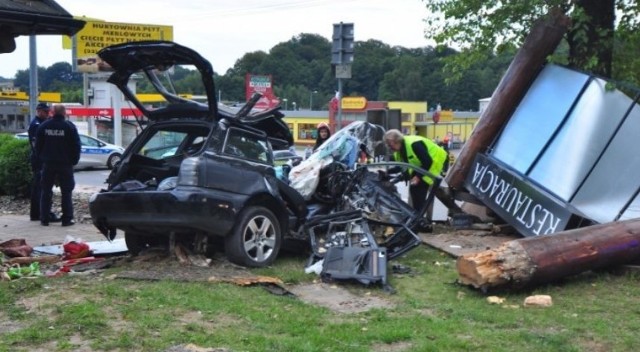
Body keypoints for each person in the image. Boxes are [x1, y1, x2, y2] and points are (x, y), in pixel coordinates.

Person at [35, 104, 81, 226]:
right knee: (66, 192)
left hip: (48, 163)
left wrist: (41, 159)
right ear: (64, 113)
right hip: (65, 164)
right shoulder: (69, 127)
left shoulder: (44, 126)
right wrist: (74, 161)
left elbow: (37, 146)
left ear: (52, 113)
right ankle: (67, 219)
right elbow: (76, 146)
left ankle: (44, 218)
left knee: (46, 191)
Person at [384, 129, 448, 214]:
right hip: (422, 164)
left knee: (419, 189)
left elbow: (427, 161)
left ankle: (419, 217)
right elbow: (402, 167)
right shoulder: (399, 151)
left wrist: (418, 177)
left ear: (395, 141)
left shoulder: (414, 144)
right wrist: (388, 172)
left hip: (435, 160)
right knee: (414, 189)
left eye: (389, 144)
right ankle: (417, 214)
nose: (389, 147)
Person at [27, 102, 60, 222]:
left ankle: (38, 213)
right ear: (39, 111)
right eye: (45, 112)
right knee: (42, 188)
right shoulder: (36, 125)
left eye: (48, 112)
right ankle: (42, 213)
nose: (47, 114)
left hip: (40, 159)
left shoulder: (41, 123)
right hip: (40, 160)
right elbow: (38, 145)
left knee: (40, 188)